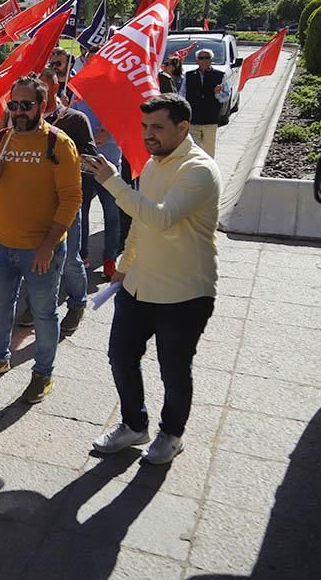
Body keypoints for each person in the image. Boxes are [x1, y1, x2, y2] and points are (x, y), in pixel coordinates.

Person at [85, 93, 220, 465]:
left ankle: (171, 435)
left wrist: (113, 183)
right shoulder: (152, 165)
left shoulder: (199, 170)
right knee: (120, 356)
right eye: (145, 127)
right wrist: (125, 267)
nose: (148, 134)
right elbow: (141, 227)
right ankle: (133, 425)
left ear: (183, 127)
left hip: (184, 293)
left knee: (173, 370)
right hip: (138, 286)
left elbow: (161, 217)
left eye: (157, 127)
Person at [0, 74, 81, 404]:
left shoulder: (58, 144)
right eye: (13, 105)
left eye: (26, 105)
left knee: (44, 314)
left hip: (40, 249)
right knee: (2, 307)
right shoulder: (2, 138)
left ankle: (43, 373)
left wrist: (48, 245)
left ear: (43, 106)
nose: (18, 111)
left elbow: (72, 198)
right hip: (0, 245)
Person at [14, 68, 96, 335]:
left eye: (48, 88)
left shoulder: (75, 119)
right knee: (33, 259)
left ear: (56, 88)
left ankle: (76, 303)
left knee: (71, 260)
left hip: (65, 204)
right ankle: (33, 304)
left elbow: (91, 159)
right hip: (33, 207)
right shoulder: (25, 122)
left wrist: (65, 159)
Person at [72, 96, 122, 281]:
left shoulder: (118, 98)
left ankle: (110, 259)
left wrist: (110, 135)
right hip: (84, 167)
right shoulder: (78, 97)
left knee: (112, 215)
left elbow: (131, 129)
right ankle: (82, 255)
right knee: (80, 214)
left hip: (109, 167)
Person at [183, 49, 230, 157]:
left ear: (211, 60)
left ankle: (208, 171)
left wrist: (217, 94)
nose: (204, 60)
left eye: (207, 57)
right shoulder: (189, 75)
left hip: (210, 120)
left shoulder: (220, 75)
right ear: (197, 61)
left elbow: (225, 97)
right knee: (194, 150)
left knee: (208, 150)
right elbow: (182, 95)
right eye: (201, 58)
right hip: (193, 120)